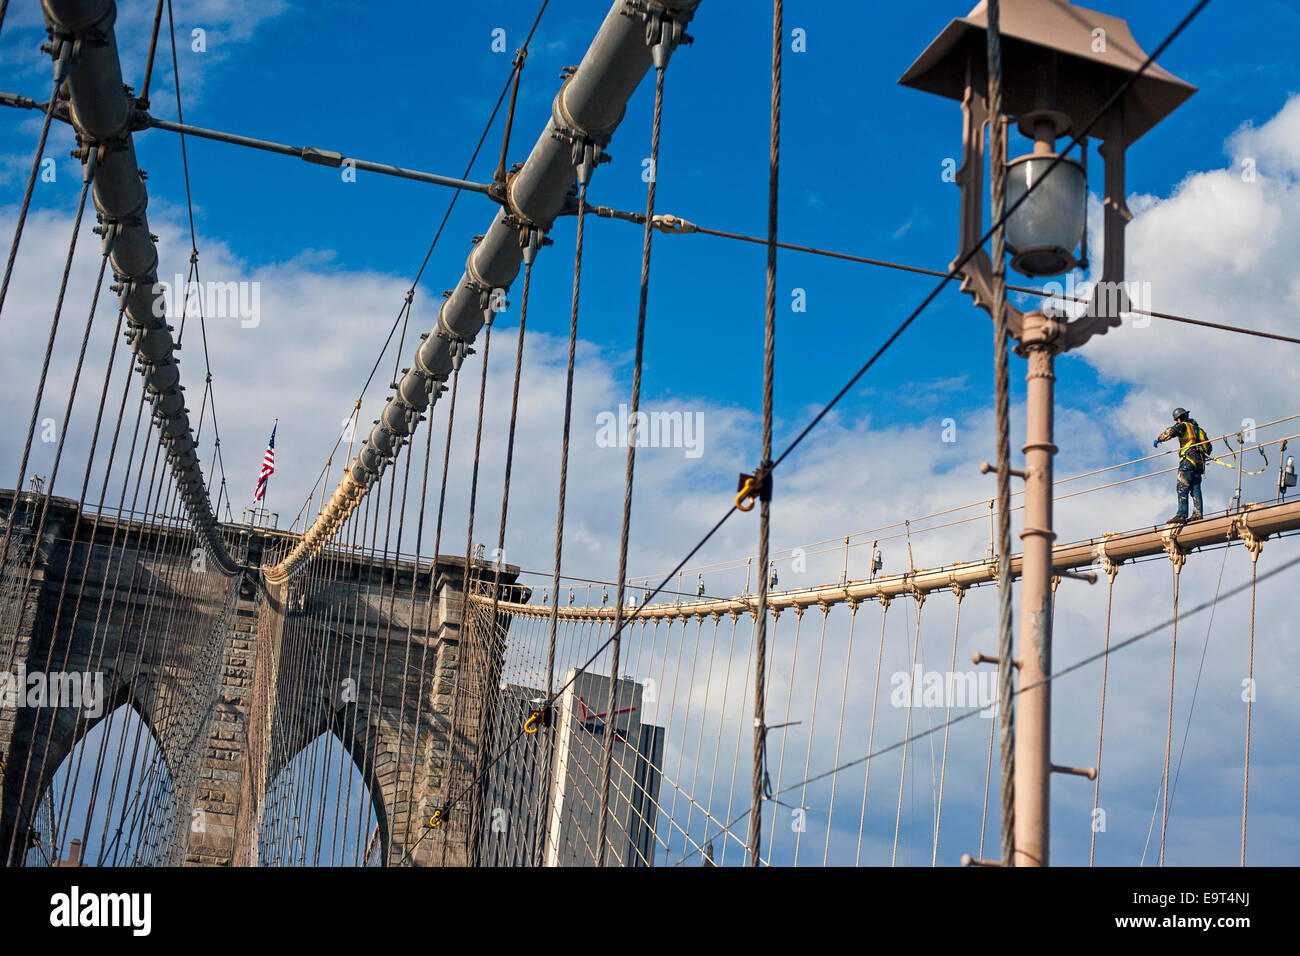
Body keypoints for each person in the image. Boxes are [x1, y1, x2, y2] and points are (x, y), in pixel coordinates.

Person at [1153, 407, 1214, 523]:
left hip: (1188, 460)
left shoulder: (1184, 426)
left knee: (1182, 486)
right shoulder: (1200, 431)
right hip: (1199, 464)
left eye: (1176, 420)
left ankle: (1181, 514)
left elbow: (1171, 432)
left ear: (1179, 419)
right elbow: (1209, 448)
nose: (1176, 422)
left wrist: (1158, 439)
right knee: (1195, 488)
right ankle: (1198, 513)